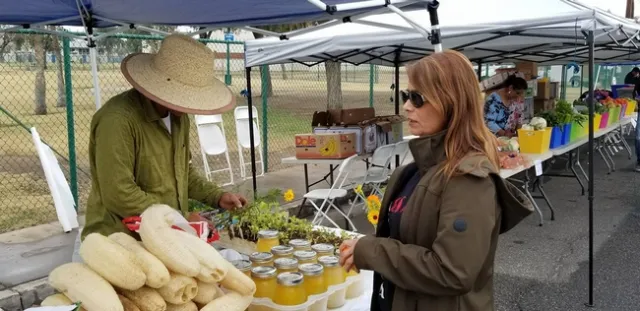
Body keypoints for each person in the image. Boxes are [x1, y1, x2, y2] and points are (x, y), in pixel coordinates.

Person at [338, 51, 534, 311]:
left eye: (418, 98)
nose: (407, 106)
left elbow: (453, 271)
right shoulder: (410, 172)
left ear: (451, 102)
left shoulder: (470, 180)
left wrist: (372, 252)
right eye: (406, 96)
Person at [81, 34, 247, 241]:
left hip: (164, 236)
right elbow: (119, 193)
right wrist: (180, 219)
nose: (189, 105)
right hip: (119, 239)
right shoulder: (117, 121)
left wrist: (217, 196)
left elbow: (184, 173)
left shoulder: (178, 118)